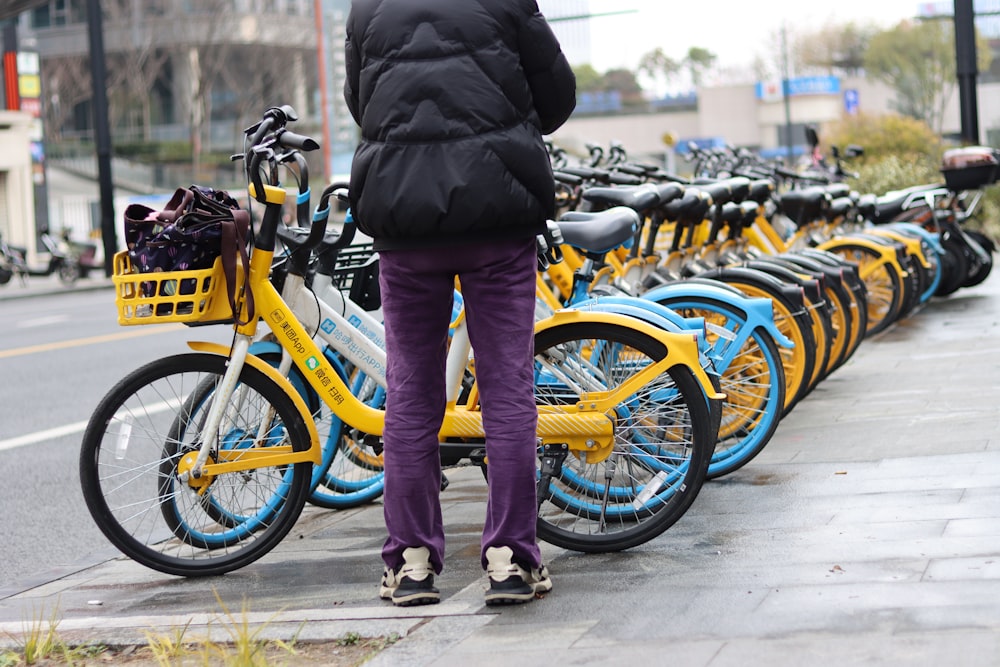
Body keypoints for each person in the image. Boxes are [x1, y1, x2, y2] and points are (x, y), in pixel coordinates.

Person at [344, 0, 576, 606]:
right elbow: (558, 98)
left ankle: (413, 563)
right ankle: (510, 560)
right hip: (497, 216)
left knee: (412, 394)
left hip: (404, 219)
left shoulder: (368, 9)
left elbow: (361, 103)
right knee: (507, 390)